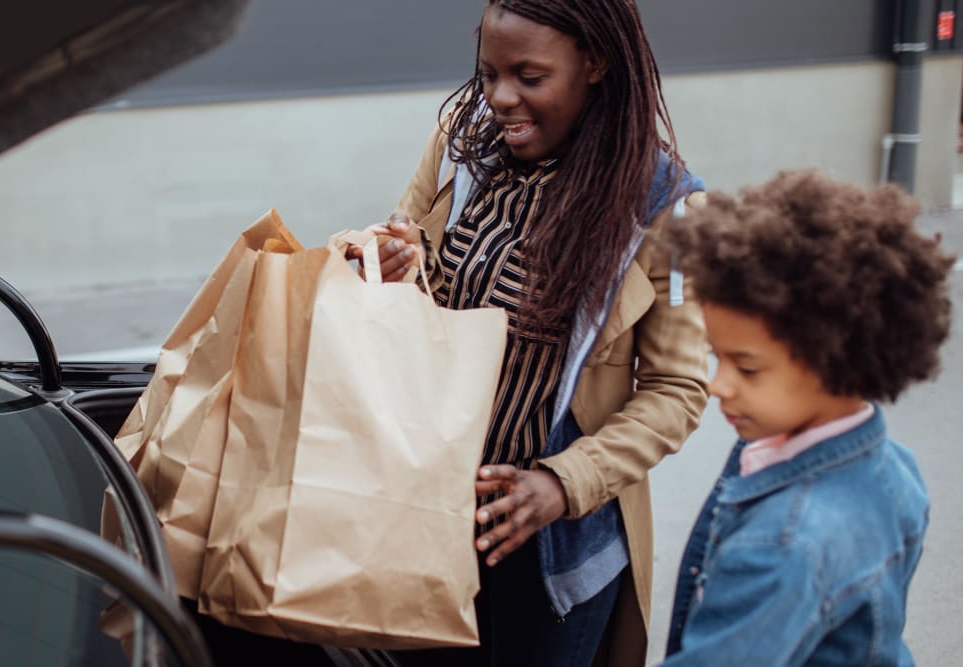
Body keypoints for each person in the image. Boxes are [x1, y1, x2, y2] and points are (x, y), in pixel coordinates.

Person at [346, 1, 709, 665]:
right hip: (426, 514)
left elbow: (677, 389)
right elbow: (401, 256)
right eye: (488, 74)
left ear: (595, 63)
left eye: (529, 77)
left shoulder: (665, 205)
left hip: (555, 555)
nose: (501, 97)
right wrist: (391, 262)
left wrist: (563, 482)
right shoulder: (461, 145)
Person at [658, 169, 955, 666]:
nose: (716, 385)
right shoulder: (897, 466)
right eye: (717, 357)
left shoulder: (784, 545)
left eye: (747, 367)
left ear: (837, 356)